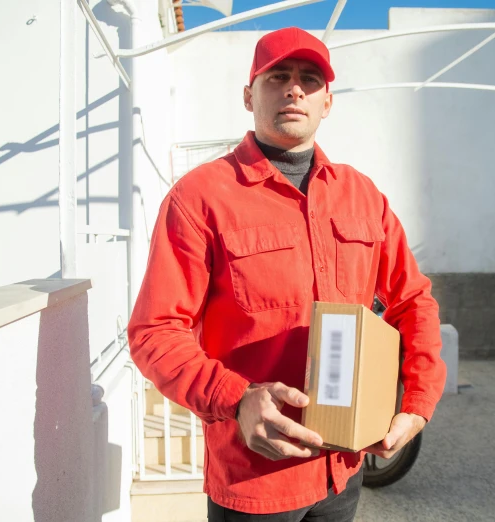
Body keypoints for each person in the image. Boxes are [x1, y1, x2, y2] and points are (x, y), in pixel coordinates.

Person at [128, 27, 446, 522]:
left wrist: (418, 402)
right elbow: (155, 333)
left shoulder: (364, 197)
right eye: (278, 76)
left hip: (343, 468)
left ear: (327, 102)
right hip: (255, 481)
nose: (294, 88)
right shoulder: (199, 199)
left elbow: (414, 301)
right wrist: (236, 399)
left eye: (309, 79)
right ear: (249, 95)